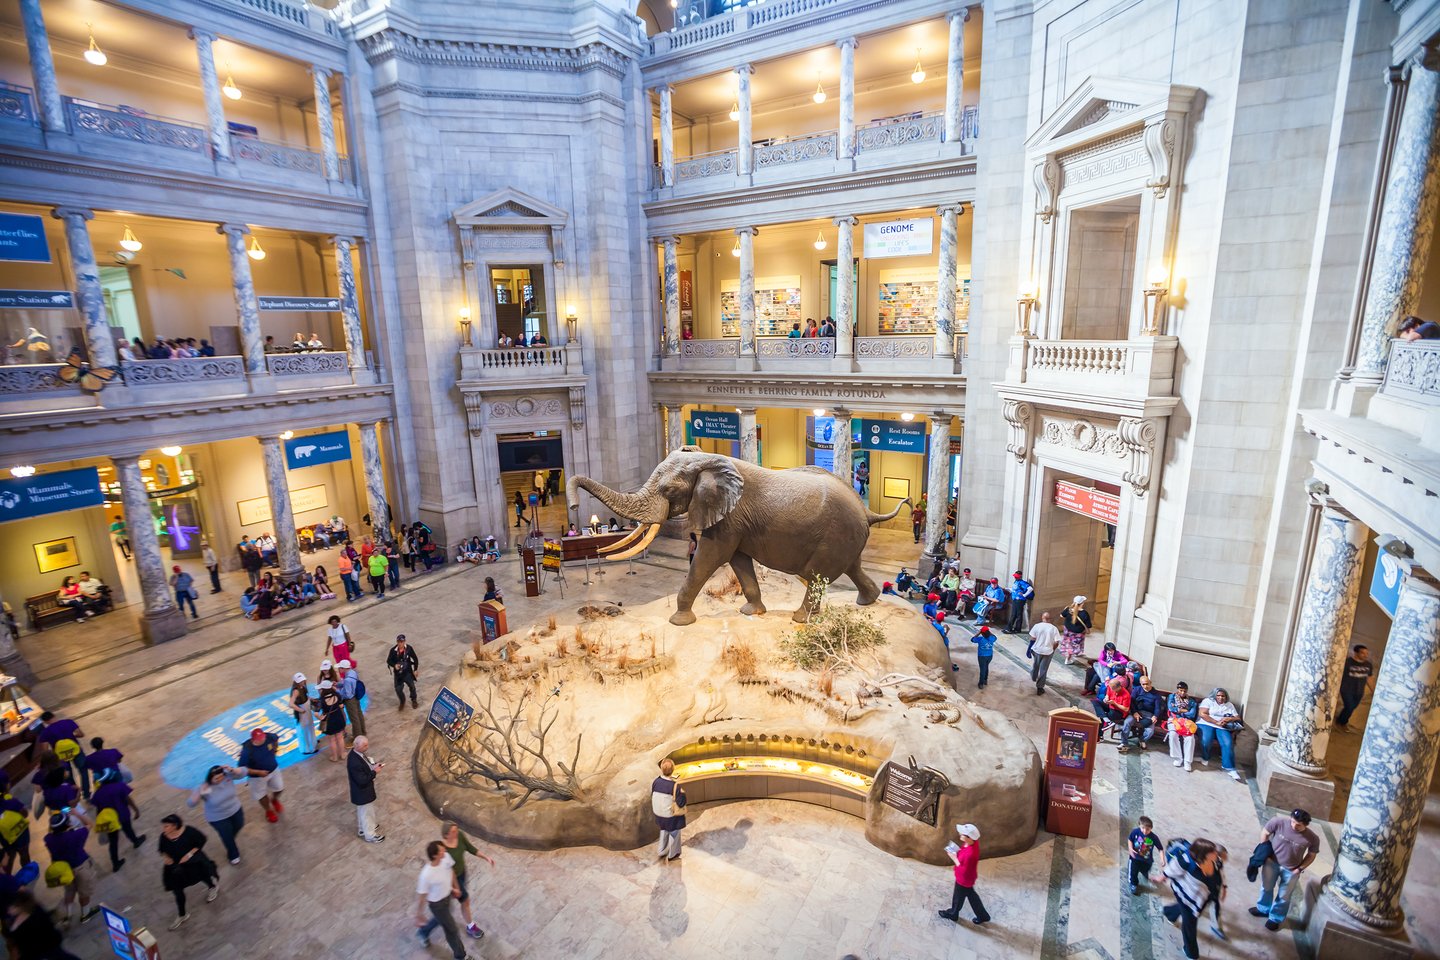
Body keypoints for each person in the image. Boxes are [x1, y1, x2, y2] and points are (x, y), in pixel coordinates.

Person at [1250, 809, 1318, 931]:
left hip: (1292, 870)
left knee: (1284, 896)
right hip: (1271, 862)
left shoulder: (1312, 838)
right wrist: (1264, 851)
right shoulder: (1278, 822)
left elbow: (1311, 855)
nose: (1294, 826)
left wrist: (1300, 868)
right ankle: (1263, 909)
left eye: (1298, 825)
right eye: (1292, 822)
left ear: (1306, 825)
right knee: (1266, 887)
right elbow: (1265, 832)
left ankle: (1275, 918)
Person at [157, 814, 219, 930]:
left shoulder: (189, 832)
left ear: (175, 826)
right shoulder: (164, 836)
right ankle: (182, 914)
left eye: (166, 826)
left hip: (192, 863)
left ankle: (212, 887)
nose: (164, 829)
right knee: (177, 890)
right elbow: (162, 850)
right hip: (175, 868)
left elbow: (201, 841)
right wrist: (166, 857)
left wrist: (189, 854)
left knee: (202, 876)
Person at [1163, 837, 1220, 959]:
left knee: (1185, 912)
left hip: (1199, 899)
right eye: (1213, 852)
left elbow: (1216, 878)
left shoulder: (1214, 862)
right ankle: (1191, 952)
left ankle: (1169, 913)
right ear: (1204, 855)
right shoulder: (1188, 862)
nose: (1216, 853)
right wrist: (1162, 876)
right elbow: (1171, 870)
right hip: (1187, 898)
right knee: (1189, 926)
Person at [415, 840, 471, 960]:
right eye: (441, 851)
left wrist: (456, 888)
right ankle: (461, 956)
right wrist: (419, 914)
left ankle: (423, 932)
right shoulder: (426, 875)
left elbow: (451, 872)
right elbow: (422, 896)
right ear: (434, 855)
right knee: (452, 930)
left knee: (441, 920)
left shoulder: (445, 858)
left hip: (447, 897)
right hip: (437, 904)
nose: (444, 851)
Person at [440, 821, 493, 940]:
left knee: (459, 903)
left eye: (456, 829)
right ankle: (471, 927)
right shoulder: (443, 850)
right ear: (446, 835)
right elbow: (446, 872)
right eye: (453, 832)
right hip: (451, 880)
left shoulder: (460, 836)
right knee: (464, 901)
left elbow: (470, 848)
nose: (456, 832)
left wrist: (486, 857)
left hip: (462, 874)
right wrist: (455, 888)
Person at [44, 811, 97, 925]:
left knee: (69, 892)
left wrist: (56, 822)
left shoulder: (49, 840)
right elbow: (89, 824)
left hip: (64, 870)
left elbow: (50, 831)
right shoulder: (76, 835)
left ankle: (67, 916)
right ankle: (86, 914)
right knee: (84, 892)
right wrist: (76, 813)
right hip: (81, 867)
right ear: (68, 824)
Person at [187, 765, 246, 864]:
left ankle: (229, 839)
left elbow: (244, 772)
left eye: (221, 776)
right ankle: (233, 854)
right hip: (218, 817)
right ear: (210, 778)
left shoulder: (228, 776)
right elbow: (191, 803)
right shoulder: (207, 787)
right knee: (227, 836)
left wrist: (232, 770)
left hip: (235, 809)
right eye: (216, 778)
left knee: (239, 825)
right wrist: (201, 790)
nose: (219, 779)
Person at [90, 768, 145, 872]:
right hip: (123, 815)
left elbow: (98, 808)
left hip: (110, 820)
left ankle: (115, 863)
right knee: (128, 830)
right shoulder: (120, 786)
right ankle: (136, 841)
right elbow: (128, 799)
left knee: (113, 841)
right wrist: (136, 810)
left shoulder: (98, 794)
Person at [938, 823, 990, 925]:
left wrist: (954, 858)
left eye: (962, 834)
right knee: (971, 896)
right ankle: (983, 916)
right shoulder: (972, 843)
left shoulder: (971, 854)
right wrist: (957, 853)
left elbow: (963, 869)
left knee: (958, 897)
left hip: (964, 879)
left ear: (969, 838)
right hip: (968, 879)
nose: (959, 834)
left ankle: (953, 913)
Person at [4, 890, 81, 960]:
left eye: (13, 907)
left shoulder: (36, 914)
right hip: (41, 949)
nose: (9, 910)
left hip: (45, 948)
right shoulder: (13, 920)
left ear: (21, 907)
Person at [34, 712, 90, 799]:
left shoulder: (45, 732)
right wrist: (72, 735)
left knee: (67, 776)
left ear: (45, 722)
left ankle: (75, 794)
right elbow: (81, 734)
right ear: (54, 716)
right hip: (75, 751)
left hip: (60, 756)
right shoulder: (69, 722)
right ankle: (86, 794)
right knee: (83, 771)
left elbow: (45, 750)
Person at [1197, 687, 1245, 782]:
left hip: (1222, 726)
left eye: (1223, 696)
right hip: (1206, 723)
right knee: (1206, 740)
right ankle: (1205, 757)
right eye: (1218, 695)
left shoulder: (1229, 705)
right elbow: (1202, 714)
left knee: (1228, 743)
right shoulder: (1208, 701)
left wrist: (1229, 719)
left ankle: (1230, 768)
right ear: (1214, 695)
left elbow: (1237, 718)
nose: (1220, 697)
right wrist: (1215, 722)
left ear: (1226, 696)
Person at [236, 729, 284, 823]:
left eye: (263, 737)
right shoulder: (247, 751)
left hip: (273, 769)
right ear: (254, 740)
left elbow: (275, 738)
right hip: (257, 778)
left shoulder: (269, 737)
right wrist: (258, 772)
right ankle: (268, 811)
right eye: (260, 739)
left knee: (279, 788)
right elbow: (242, 768)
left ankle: (274, 800)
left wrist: (275, 750)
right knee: (261, 795)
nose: (263, 740)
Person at [347, 736, 384, 843]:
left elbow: (365, 767)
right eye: (365, 745)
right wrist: (374, 772)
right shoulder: (354, 762)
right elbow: (362, 780)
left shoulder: (357, 754)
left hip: (361, 792)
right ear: (356, 745)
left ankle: (362, 829)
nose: (367, 747)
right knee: (367, 813)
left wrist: (373, 766)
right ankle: (371, 835)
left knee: (362, 811)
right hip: (362, 791)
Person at [651, 758, 686, 863]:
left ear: (661, 769)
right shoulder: (675, 786)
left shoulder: (656, 782)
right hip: (669, 817)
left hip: (658, 815)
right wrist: (682, 793)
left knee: (664, 829)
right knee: (675, 832)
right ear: (673, 770)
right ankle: (673, 853)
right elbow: (681, 803)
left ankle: (661, 851)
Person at [1334, 643, 1373, 731]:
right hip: (1346, 689)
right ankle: (1342, 723)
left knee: (1351, 707)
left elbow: (1369, 678)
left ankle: (1340, 720)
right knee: (1350, 706)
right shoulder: (1347, 662)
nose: (1366, 655)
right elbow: (1338, 675)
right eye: (1363, 653)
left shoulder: (1368, 665)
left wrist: (1373, 690)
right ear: (1356, 653)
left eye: (1367, 653)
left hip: (1359, 691)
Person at [1121, 676, 1164, 752]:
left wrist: (1155, 716)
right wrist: (1134, 712)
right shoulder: (1137, 690)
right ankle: (1124, 743)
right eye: (1143, 684)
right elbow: (1131, 702)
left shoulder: (1156, 694)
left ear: (1150, 683)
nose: (1145, 686)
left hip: (1148, 714)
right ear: (1140, 684)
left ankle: (1142, 740)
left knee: (1150, 731)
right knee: (1127, 722)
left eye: (1147, 684)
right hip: (1136, 712)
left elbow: (1158, 707)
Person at [1166, 682, 1200, 771]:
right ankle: (1178, 758)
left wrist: (1179, 710)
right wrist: (1185, 710)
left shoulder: (1191, 701)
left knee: (1190, 738)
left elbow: (1192, 714)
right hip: (1174, 720)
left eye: (1184, 691)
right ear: (1177, 690)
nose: (1182, 693)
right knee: (1173, 735)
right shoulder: (1172, 697)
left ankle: (1187, 761)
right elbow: (1171, 708)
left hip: (1187, 722)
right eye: (1181, 690)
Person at [1127, 816, 1162, 895]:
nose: (1145, 831)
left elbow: (1160, 848)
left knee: (1145, 870)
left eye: (1148, 829)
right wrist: (1130, 848)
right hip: (1135, 858)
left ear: (1151, 828)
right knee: (1133, 872)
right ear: (1139, 825)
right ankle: (1133, 884)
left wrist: (1162, 859)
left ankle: (1146, 875)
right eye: (1143, 828)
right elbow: (1130, 839)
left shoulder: (1154, 837)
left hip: (1146, 860)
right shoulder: (1135, 832)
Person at [1028, 611, 1061, 695]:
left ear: (1042, 618)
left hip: (1037, 650)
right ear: (1050, 619)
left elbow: (1032, 638)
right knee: (1043, 669)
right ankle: (1040, 688)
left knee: (1036, 664)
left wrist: (1029, 649)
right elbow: (1057, 642)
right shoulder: (1053, 628)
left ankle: (1033, 676)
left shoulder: (1037, 626)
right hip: (1048, 651)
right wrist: (1053, 649)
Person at [318, 680, 347, 762]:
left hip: (329, 720)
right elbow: (341, 706)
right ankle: (343, 754)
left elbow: (316, 711)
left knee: (332, 740)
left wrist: (320, 717)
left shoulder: (322, 700)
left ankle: (335, 757)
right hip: (338, 717)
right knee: (340, 738)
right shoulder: (337, 695)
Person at [388, 635, 420, 711]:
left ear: (404, 642)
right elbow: (388, 660)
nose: (400, 644)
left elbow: (415, 659)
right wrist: (394, 665)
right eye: (398, 642)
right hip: (398, 674)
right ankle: (402, 701)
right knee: (398, 689)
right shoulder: (393, 650)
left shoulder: (409, 649)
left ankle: (414, 699)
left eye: (401, 642)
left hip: (407, 672)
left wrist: (415, 669)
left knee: (412, 686)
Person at [337, 660, 367, 737]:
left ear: (344, 668)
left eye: (340, 668)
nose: (338, 669)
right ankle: (363, 731)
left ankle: (357, 736)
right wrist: (338, 684)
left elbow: (347, 694)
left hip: (350, 700)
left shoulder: (347, 680)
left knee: (354, 718)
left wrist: (337, 692)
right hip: (356, 696)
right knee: (359, 714)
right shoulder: (353, 672)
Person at [290, 674, 318, 755]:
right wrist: (300, 710)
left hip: (306, 710)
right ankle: (307, 748)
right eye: (300, 681)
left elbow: (306, 696)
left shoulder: (303, 687)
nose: (302, 682)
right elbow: (291, 704)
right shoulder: (296, 691)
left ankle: (312, 743)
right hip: (302, 713)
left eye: (303, 680)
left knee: (309, 727)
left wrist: (311, 699)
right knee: (304, 730)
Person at [1060, 596, 1091, 664]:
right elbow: (1088, 625)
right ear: (1082, 603)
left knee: (1068, 644)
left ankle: (1069, 655)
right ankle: (1068, 659)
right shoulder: (1084, 613)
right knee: (1074, 646)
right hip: (1077, 634)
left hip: (1067, 631)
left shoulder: (1068, 609)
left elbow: (1062, 615)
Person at [969, 625, 996, 689]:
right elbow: (995, 637)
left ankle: (981, 683)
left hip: (982, 657)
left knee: (982, 670)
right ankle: (985, 680)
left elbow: (972, 639)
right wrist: (989, 632)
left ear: (982, 633)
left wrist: (978, 633)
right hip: (989, 656)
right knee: (986, 667)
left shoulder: (980, 639)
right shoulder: (992, 638)